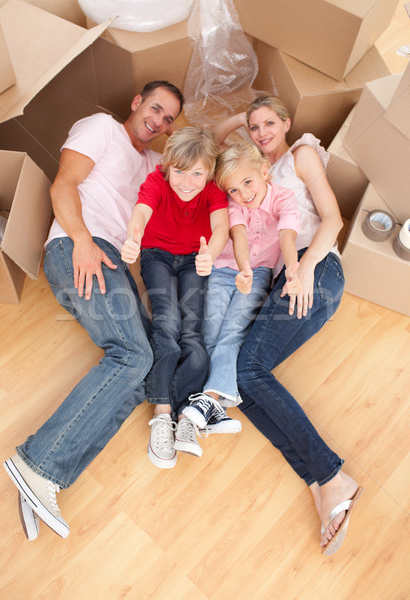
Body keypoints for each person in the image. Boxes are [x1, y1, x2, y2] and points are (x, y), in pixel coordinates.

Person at [3, 80, 184, 539]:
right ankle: (38, 463)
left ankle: (45, 480)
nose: (159, 121)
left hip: (113, 265)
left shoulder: (154, 165)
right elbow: (63, 184)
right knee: (134, 355)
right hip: (79, 246)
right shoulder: (102, 127)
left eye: (169, 119)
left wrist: (241, 121)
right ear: (136, 101)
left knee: (151, 368)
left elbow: (205, 153)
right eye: (156, 108)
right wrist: (81, 241)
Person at [214, 95, 362, 556]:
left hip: (317, 270)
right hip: (286, 277)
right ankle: (319, 482)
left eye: (269, 124)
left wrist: (304, 269)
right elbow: (218, 142)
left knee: (248, 372)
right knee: (242, 377)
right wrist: (242, 117)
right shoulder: (251, 174)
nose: (261, 132)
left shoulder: (299, 156)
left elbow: (334, 218)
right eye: (254, 127)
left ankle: (335, 477)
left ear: (287, 123)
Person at [121, 126, 236, 469]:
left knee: (194, 337)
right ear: (167, 167)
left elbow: (220, 230)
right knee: (167, 324)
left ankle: (186, 414)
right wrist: (133, 238)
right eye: (180, 172)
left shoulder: (214, 192)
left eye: (197, 174)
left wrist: (210, 255)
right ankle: (162, 413)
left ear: (210, 173)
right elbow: (140, 213)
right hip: (156, 254)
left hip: (194, 260)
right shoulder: (156, 182)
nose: (187, 182)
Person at [184, 141, 300, 432]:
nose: (243, 194)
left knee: (233, 333)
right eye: (233, 189)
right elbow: (239, 237)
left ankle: (208, 400)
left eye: (247, 182)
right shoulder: (233, 205)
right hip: (226, 270)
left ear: (264, 171)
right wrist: (242, 268)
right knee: (209, 332)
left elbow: (287, 237)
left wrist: (293, 269)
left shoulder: (284, 198)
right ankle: (213, 410)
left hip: (259, 273)